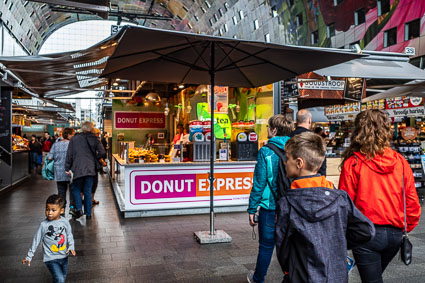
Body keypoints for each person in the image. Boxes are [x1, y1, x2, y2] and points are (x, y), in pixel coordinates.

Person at [275, 132, 375, 283]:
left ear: (299, 163)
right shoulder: (340, 198)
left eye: (287, 159)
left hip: (302, 274)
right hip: (335, 274)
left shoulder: (287, 203)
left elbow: (283, 246)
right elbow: (366, 230)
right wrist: (337, 243)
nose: (284, 163)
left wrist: (288, 268)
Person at [339, 109, 421, 283]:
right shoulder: (400, 161)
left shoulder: (353, 163)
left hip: (365, 233)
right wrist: (405, 227)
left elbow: (345, 205)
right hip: (395, 234)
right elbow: (412, 201)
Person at [247, 114, 293, 283]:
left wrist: (252, 209)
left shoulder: (266, 151)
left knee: (266, 247)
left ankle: (258, 279)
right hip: (292, 207)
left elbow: (259, 183)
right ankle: (290, 276)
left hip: (270, 208)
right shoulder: (296, 149)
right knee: (290, 245)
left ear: (274, 130)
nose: (267, 129)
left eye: (268, 126)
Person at [22, 194, 76, 283]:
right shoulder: (44, 225)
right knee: (60, 279)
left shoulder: (65, 222)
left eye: (53, 210)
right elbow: (36, 240)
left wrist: (71, 247)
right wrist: (29, 256)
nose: (49, 213)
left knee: (62, 277)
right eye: (47, 209)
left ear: (61, 210)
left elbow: (69, 235)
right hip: (50, 258)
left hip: (64, 256)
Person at [65, 121, 106, 220]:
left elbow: (69, 154)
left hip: (78, 168)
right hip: (90, 168)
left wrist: (67, 167)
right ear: (91, 129)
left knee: (76, 189)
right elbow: (102, 152)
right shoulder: (95, 138)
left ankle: (79, 209)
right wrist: (95, 158)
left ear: (82, 128)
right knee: (87, 190)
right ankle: (88, 214)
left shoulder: (74, 138)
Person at [289, 109, 326, 176]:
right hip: (312, 181)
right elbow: (321, 164)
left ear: (296, 120)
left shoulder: (288, 137)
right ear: (309, 120)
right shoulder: (316, 139)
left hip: (291, 181)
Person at [48, 128, 76, 214]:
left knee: (61, 192)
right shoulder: (72, 145)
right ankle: (72, 208)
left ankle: (62, 209)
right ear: (69, 135)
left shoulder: (55, 145)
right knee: (72, 190)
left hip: (59, 172)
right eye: (73, 134)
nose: (74, 136)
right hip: (70, 171)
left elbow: (50, 157)